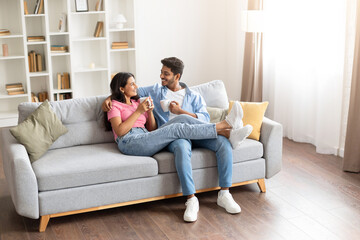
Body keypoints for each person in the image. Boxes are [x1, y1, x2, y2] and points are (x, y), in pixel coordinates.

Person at [102, 57, 252, 222]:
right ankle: (191, 199)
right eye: (161, 72)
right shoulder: (155, 90)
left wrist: (180, 111)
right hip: (169, 137)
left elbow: (203, 119)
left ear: (177, 76)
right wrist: (109, 99)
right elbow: (123, 95)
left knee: (222, 143)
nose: (161, 76)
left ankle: (224, 193)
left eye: (166, 74)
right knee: (180, 140)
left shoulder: (194, 96)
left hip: (196, 133)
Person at [104, 72, 247, 157]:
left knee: (182, 118)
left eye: (135, 83)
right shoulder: (114, 106)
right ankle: (225, 125)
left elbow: (152, 129)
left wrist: (149, 112)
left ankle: (228, 134)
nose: (136, 87)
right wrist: (139, 112)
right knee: (176, 128)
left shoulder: (136, 103)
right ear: (122, 89)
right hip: (128, 142)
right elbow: (120, 131)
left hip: (144, 136)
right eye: (132, 84)